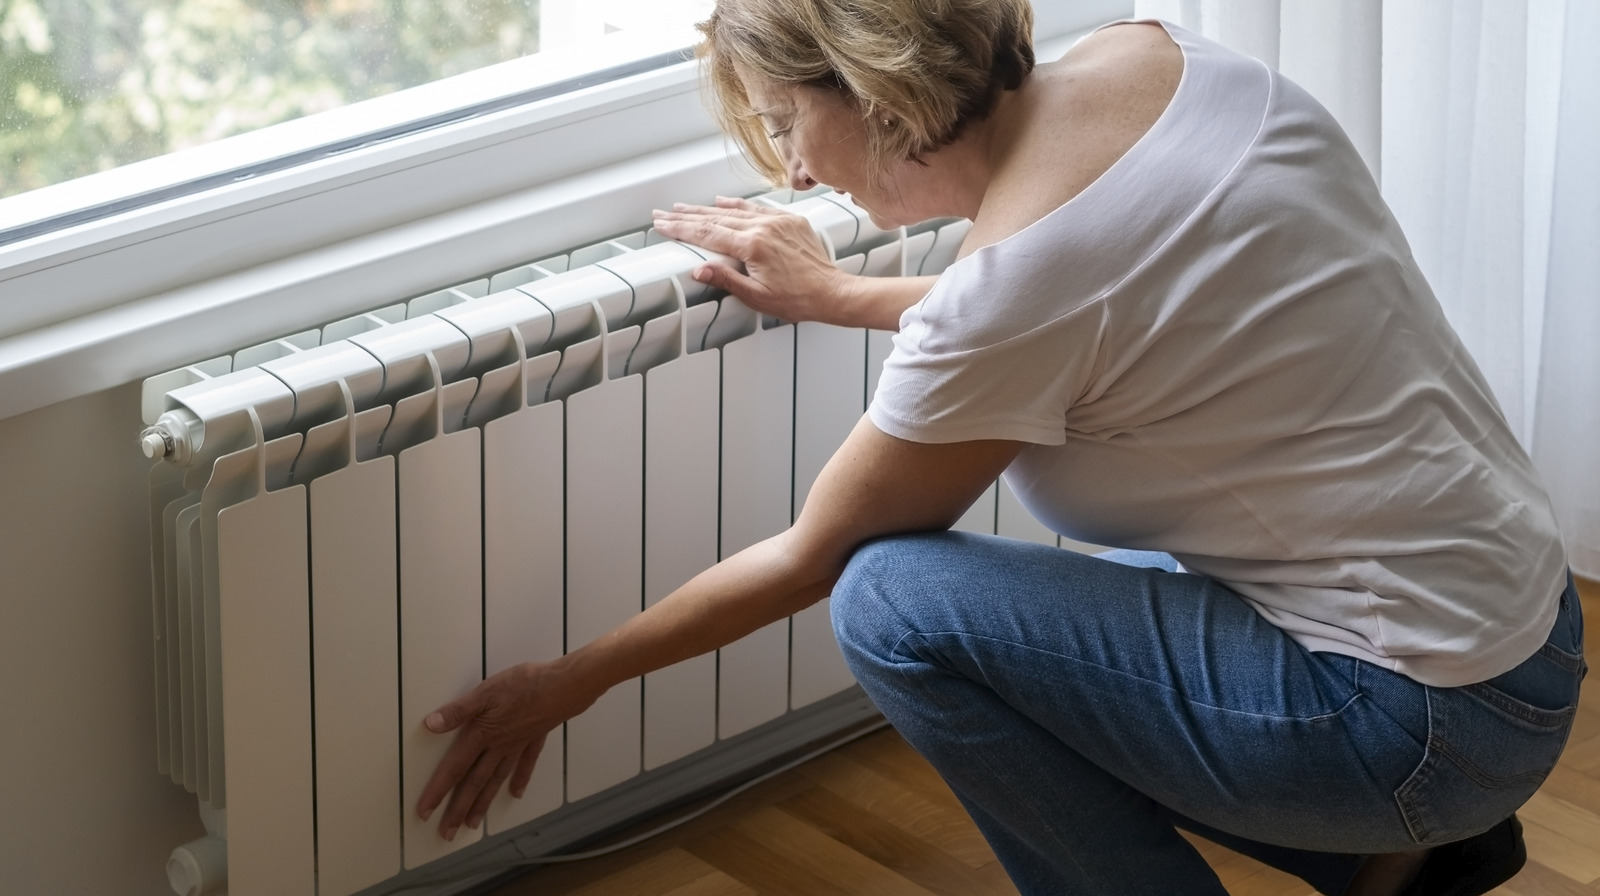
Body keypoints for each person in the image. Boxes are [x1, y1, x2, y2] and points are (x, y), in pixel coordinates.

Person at [416, 2, 1586, 894]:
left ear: (872, 83)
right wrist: (843, 295)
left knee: (892, 598)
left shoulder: (1012, 298)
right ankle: (1410, 862)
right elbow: (1109, 298)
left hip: (1410, 723)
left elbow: (811, 555)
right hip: (1524, 634)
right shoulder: (1166, 63)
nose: (790, 171)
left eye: (784, 123)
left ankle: (1378, 834)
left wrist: (565, 683)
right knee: (1078, 599)